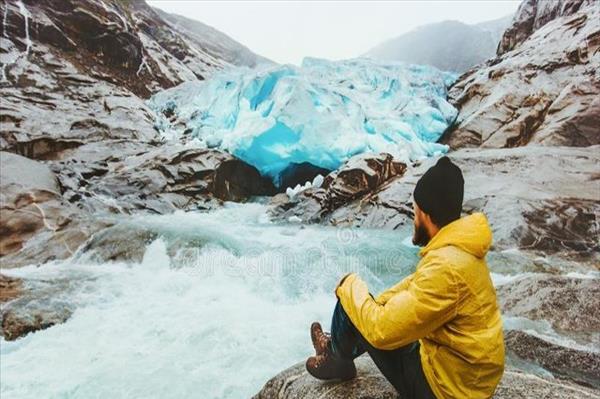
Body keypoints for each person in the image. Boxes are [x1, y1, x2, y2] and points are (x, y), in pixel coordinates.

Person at [306, 156, 505, 399]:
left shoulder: (446, 268)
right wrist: (377, 301)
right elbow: (414, 286)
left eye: (415, 210)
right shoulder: (461, 251)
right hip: (465, 378)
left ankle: (336, 359)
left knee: (352, 306)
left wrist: (348, 286)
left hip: (445, 390)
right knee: (364, 307)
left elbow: (382, 330)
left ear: (427, 215)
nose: (414, 218)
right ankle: (335, 350)